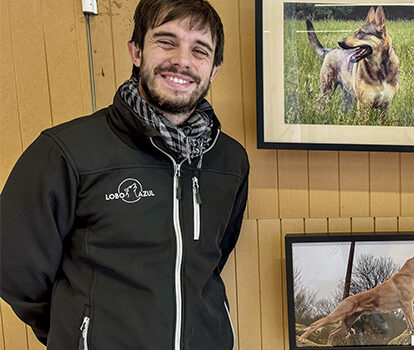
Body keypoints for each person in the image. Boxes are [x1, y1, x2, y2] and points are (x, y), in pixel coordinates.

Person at [0, 0, 249, 349]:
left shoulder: (230, 161)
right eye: (166, 41)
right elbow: (17, 273)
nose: (182, 60)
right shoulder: (65, 152)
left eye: (199, 50)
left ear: (214, 69)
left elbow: (214, 257)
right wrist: (79, 332)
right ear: (136, 51)